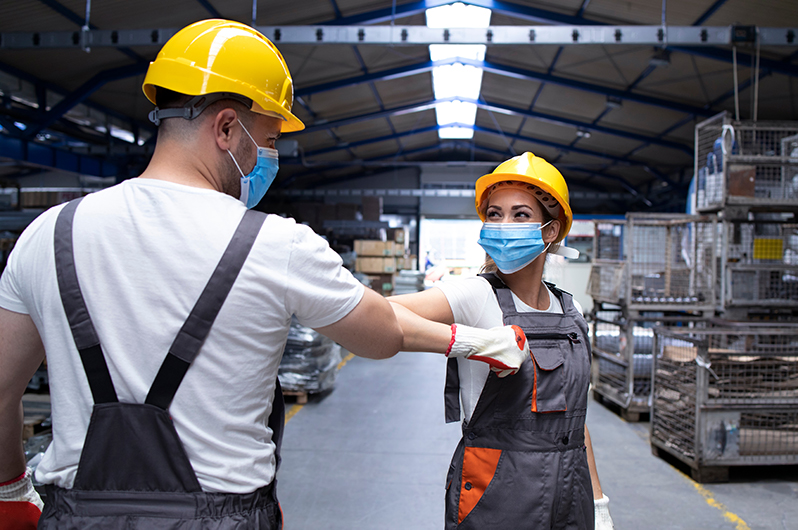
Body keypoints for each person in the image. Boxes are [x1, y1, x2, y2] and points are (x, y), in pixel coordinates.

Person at [0, 19, 534, 529]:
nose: (273, 156)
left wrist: (9, 490)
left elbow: (2, 390)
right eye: (271, 138)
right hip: (220, 517)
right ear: (228, 128)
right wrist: (476, 340)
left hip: (76, 514)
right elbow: (381, 334)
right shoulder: (274, 244)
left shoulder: (49, 233)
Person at [388, 152, 615, 530]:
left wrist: (599, 501)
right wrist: (469, 342)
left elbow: (576, 421)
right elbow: (376, 313)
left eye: (520, 214)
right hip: (499, 493)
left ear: (550, 230)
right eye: (494, 214)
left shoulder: (570, 309)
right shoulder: (476, 296)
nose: (503, 225)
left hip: (570, 495)